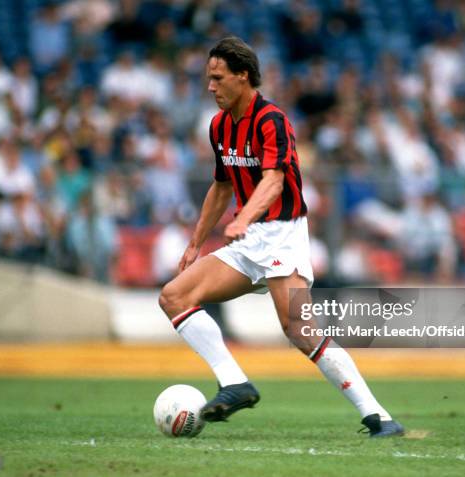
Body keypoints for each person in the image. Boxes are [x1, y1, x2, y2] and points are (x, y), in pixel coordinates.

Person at [158, 37, 404, 437]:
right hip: (247, 239)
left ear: (243, 76)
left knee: (300, 331)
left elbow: (274, 181)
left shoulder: (271, 119)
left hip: (281, 235)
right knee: (173, 296)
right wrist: (194, 243)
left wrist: (245, 218)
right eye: (208, 79)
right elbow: (221, 187)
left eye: (218, 78)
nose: (211, 87)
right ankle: (235, 383)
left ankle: (378, 416)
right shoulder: (218, 126)